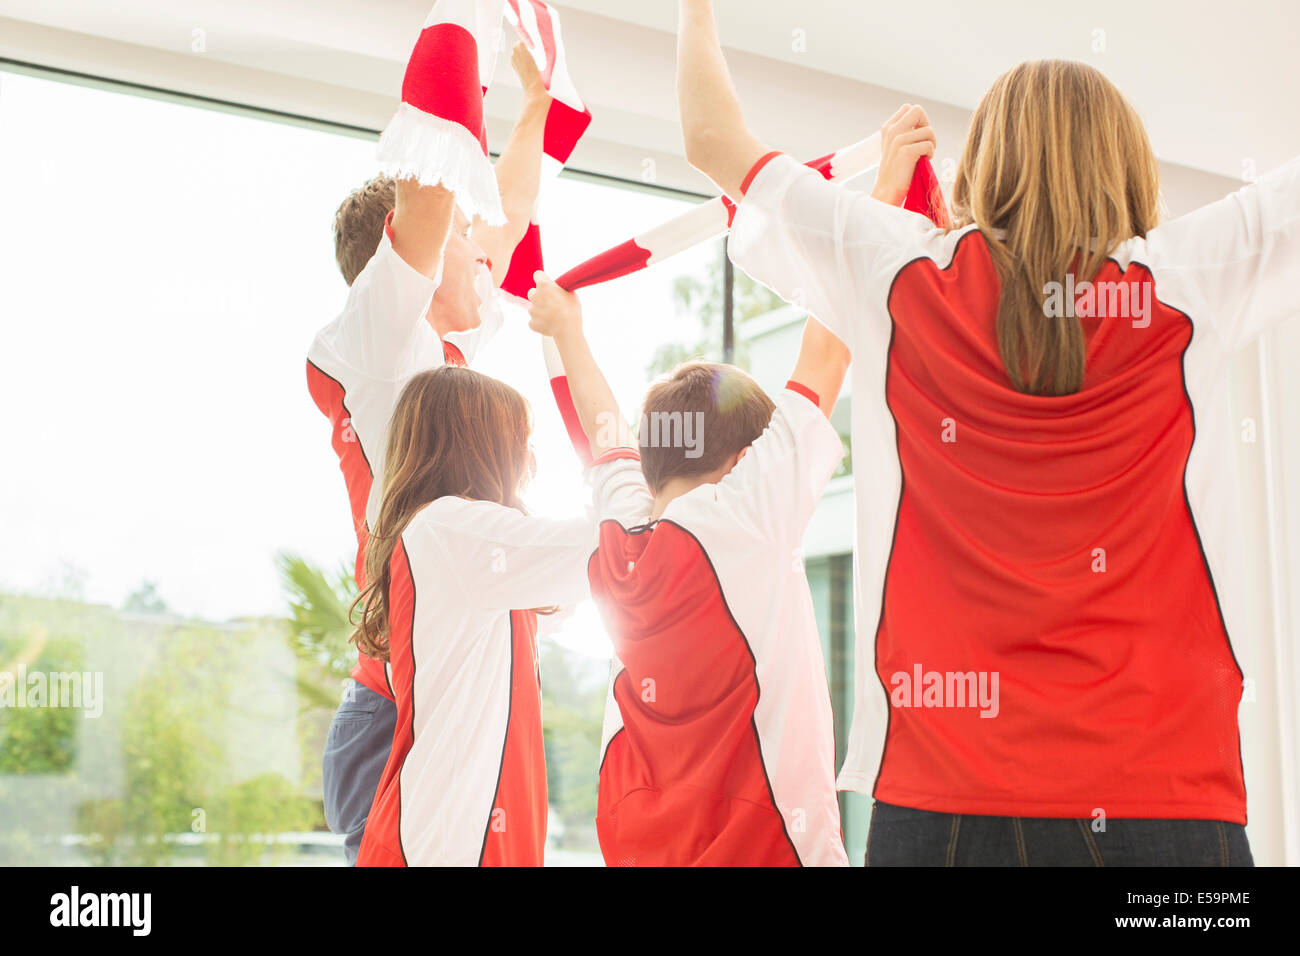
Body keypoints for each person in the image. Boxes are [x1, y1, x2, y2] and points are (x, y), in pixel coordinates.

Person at [676, 0, 1298, 864]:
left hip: (943, 809)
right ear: (1126, 164)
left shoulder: (895, 271)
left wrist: (697, 9)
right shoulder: (1191, 281)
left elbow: (709, 136)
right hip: (1168, 806)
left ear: (988, 163)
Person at [309, 42, 553, 865]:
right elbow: (428, 194)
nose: (479, 255)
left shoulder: (438, 363)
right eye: (460, 239)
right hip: (397, 705)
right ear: (401, 251)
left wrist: (536, 102)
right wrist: (463, 34)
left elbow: (507, 222)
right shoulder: (381, 342)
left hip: (437, 692)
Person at [526, 265, 854, 866]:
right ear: (744, 462)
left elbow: (605, 435)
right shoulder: (746, 517)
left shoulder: (624, 531)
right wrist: (878, 197)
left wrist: (567, 333)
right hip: (769, 850)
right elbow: (826, 354)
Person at [350, 365, 648, 866]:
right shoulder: (453, 529)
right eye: (522, 441)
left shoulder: (469, 554)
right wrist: (617, 461)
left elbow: (584, 577)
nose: (532, 460)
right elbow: (628, 544)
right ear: (479, 446)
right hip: (441, 845)